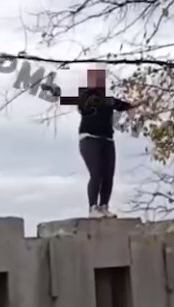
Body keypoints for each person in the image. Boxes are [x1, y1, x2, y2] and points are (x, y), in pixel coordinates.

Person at [43, 67, 144, 218]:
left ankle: (104, 206)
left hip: (107, 140)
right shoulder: (84, 96)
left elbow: (127, 106)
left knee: (108, 176)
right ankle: (93, 208)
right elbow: (64, 96)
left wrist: (144, 101)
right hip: (89, 139)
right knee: (96, 174)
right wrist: (52, 87)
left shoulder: (109, 100)